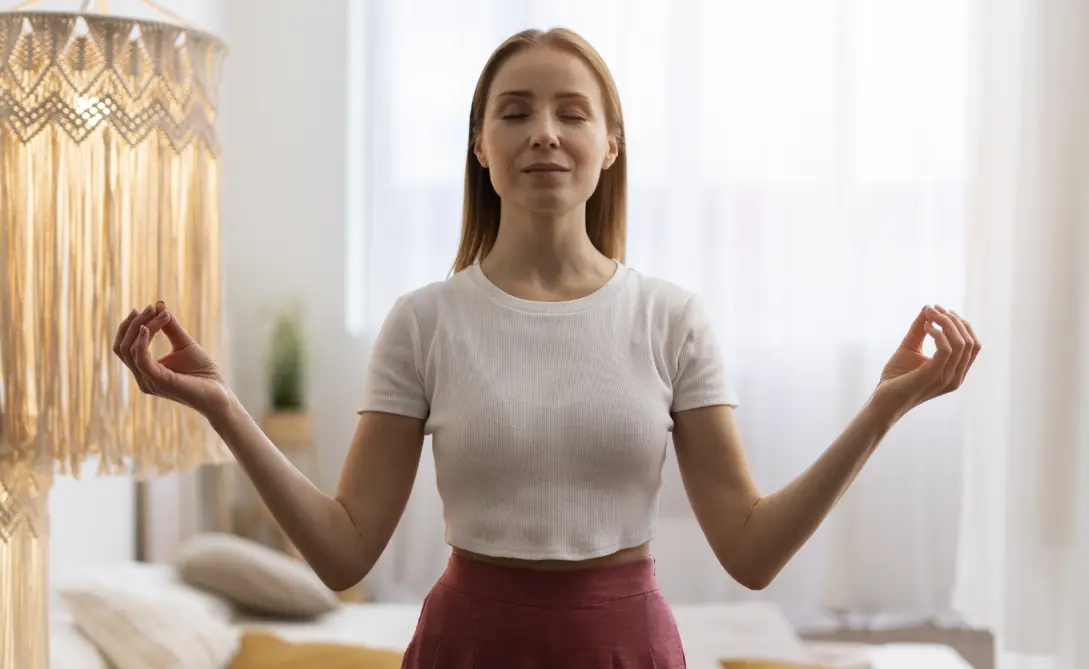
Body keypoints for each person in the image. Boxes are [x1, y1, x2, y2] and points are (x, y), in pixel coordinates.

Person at [112, 27, 981, 669]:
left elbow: (751, 551)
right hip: (468, 646)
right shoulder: (423, 321)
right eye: (514, 111)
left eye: (572, 112)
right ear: (479, 145)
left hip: (624, 646)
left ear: (610, 145)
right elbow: (343, 551)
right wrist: (221, 405)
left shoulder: (671, 318)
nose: (544, 132)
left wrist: (883, 406)